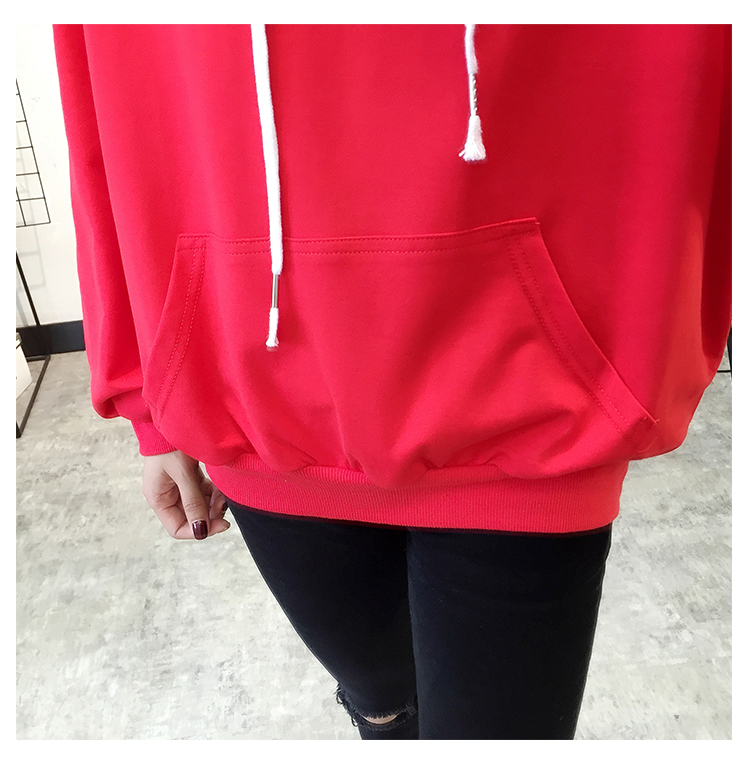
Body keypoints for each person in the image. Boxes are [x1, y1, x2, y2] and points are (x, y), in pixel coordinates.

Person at [53, 23, 731, 739]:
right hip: (260, 399)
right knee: (381, 703)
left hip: (528, 411)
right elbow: (95, 91)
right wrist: (144, 398)